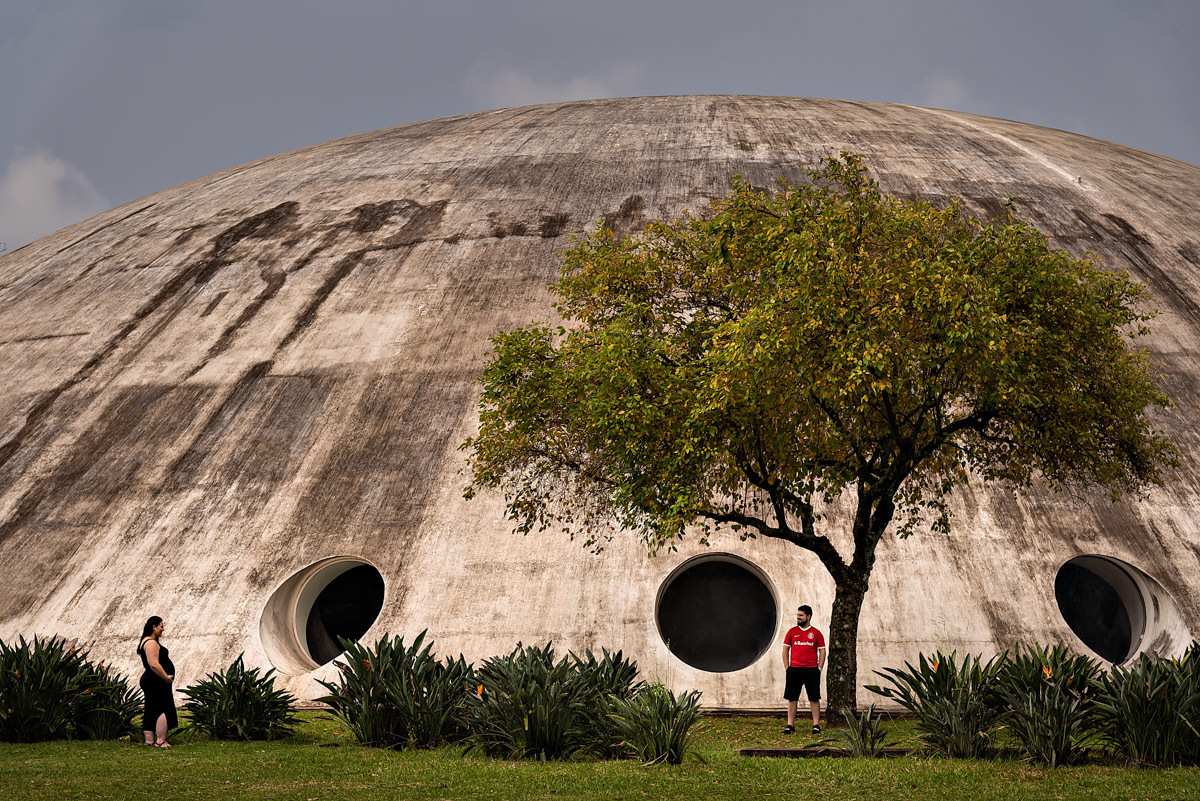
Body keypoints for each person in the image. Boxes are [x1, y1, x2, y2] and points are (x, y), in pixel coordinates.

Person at [781, 604, 826, 735]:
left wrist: (819, 668)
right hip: (794, 669)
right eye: (798, 615)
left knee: (814, 698)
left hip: (811, 670)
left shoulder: (816, 633)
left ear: (808, 616)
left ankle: (816, 725)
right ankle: (790, 725)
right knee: (792, 698)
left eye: (801, 615)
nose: (798, 618)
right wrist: (787, 667)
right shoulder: (792, 632)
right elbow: (785, 649)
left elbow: (822, 651)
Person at [137, 616, 177, 747]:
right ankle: (160, 741)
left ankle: (149, 740)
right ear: (154, 627)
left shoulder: (145, 641)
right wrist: (165, 677)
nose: (163, 629)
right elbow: (153, 664)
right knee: (163, 708)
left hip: (151, 679)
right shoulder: (151, 643)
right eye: (161, 626)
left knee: (151, 707)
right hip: (156, 680)